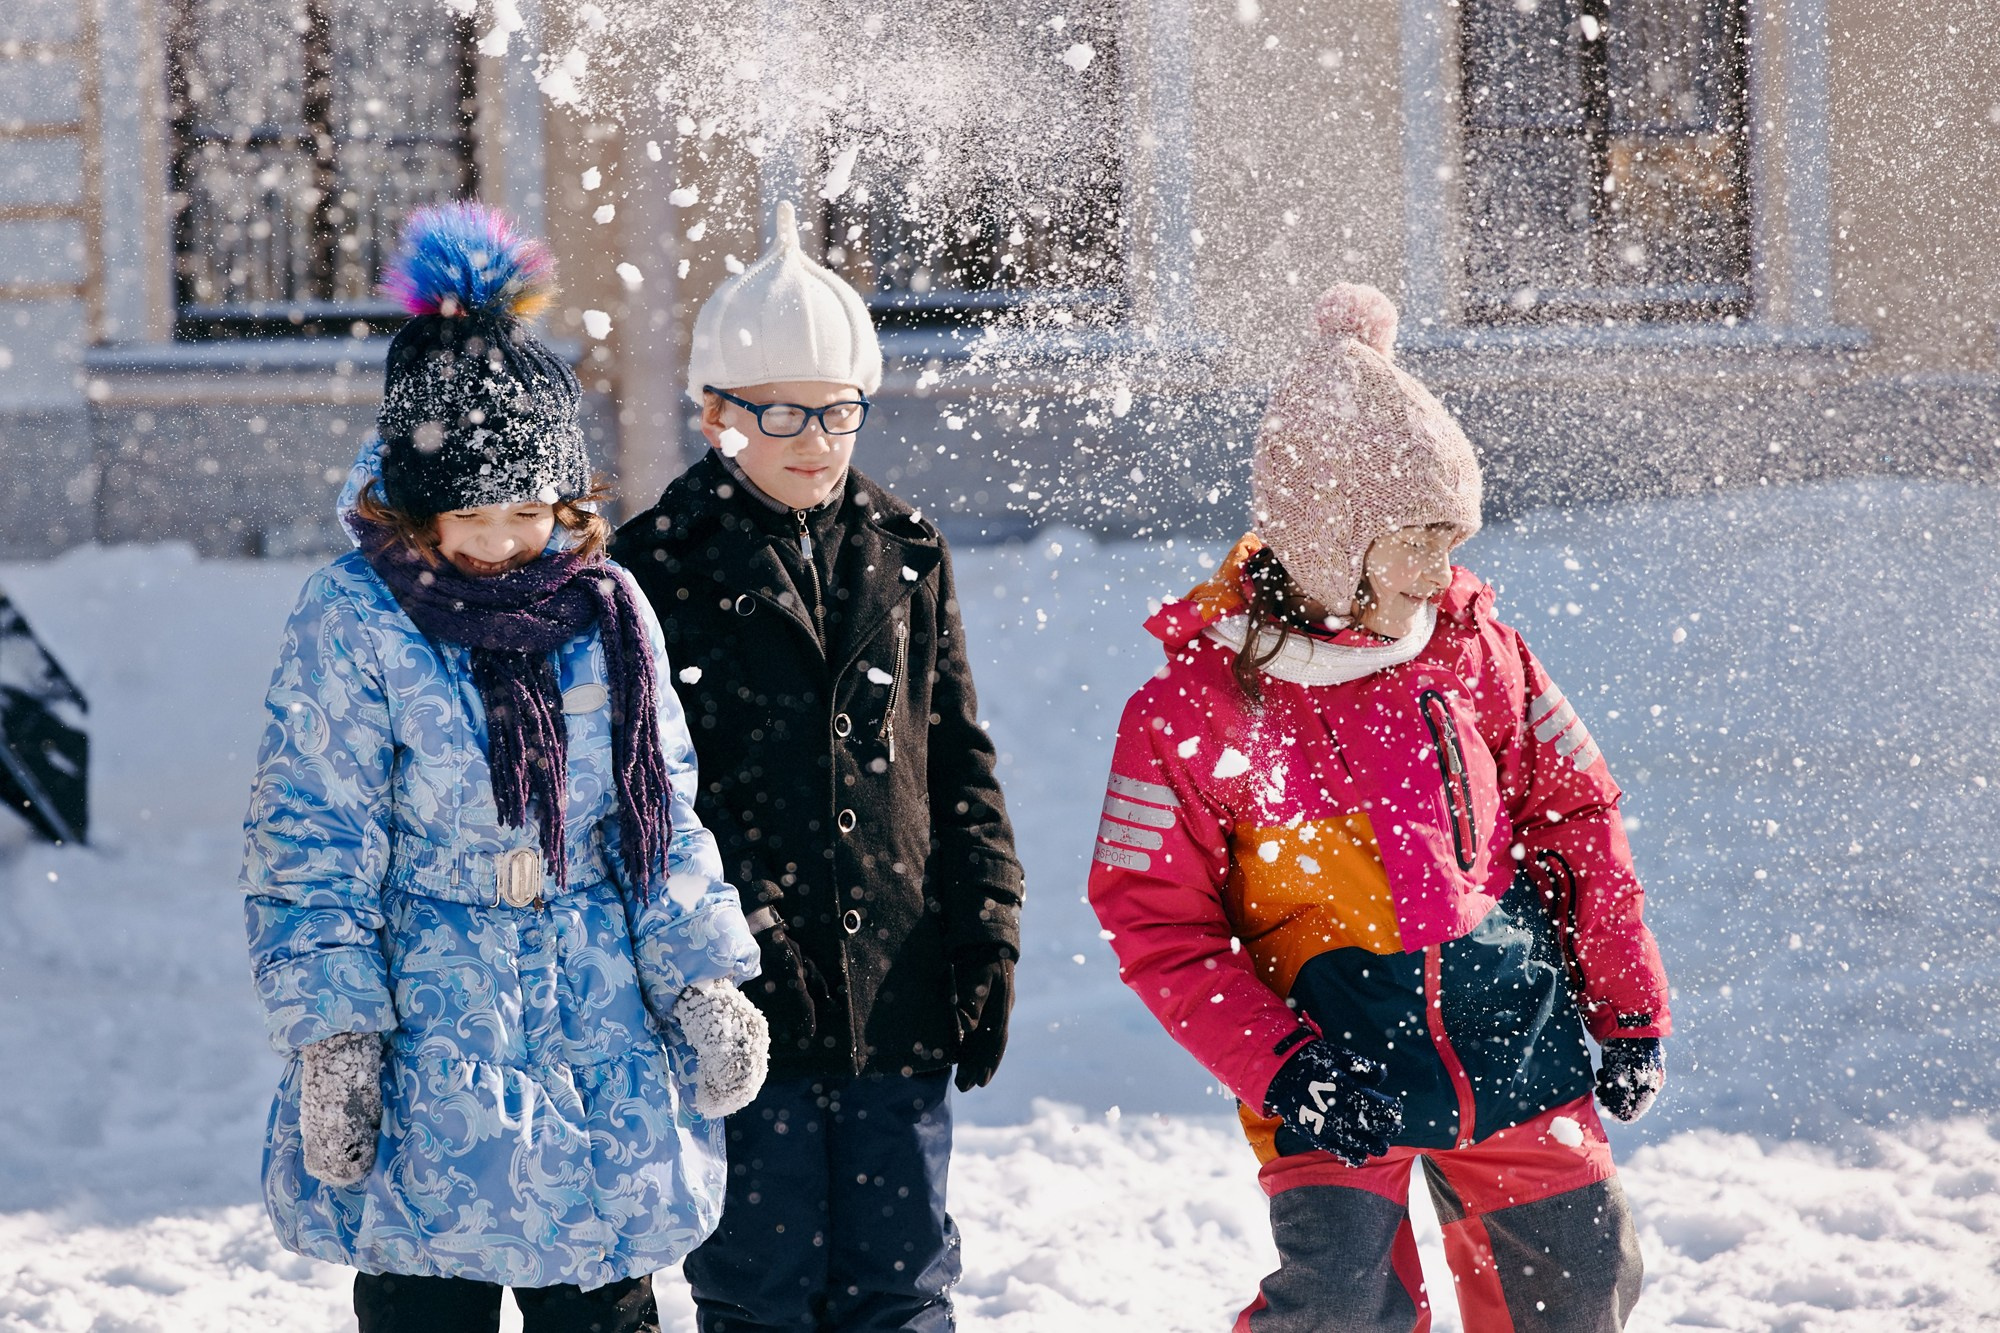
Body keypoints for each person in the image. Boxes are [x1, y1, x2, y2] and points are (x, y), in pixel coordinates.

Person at [1086, 283, 1672, 1332]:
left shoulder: (1472, 645)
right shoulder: (1195, 704)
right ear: (1327, 542)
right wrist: (1288, 1067)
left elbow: (1576, 816)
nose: (1436, 569)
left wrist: (1625, 1005)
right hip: (1332, 1067)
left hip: (1511, 1039)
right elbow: (1157, 924)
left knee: (1577, 1284)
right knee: (1343, 1305)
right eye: (1413, 539)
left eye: (1449, 537)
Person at [240, 202, 768, 1333]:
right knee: (430, 1297)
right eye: (469, 513)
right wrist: (335, 1033)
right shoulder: (357, 619)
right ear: (418, 508)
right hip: (433, 1041)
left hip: (596, 1039)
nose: (499, 542)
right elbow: (311, 838)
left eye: (527, 510)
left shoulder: (606, 613)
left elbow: (657, 814)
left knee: (603, 1300)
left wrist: (698, 975)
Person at [611, 200, 1023, 1333]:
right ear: (713, 414)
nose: (813, 436)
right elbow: (651, 798)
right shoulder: (655, 567)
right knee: (759, 1288)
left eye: (836, 409)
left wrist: (985, 925)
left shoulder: (905, 551)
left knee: (901, 1287)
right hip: (745, 998)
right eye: (778, 409)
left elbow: (954, 755)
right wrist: (736, 936)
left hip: (896, 990)